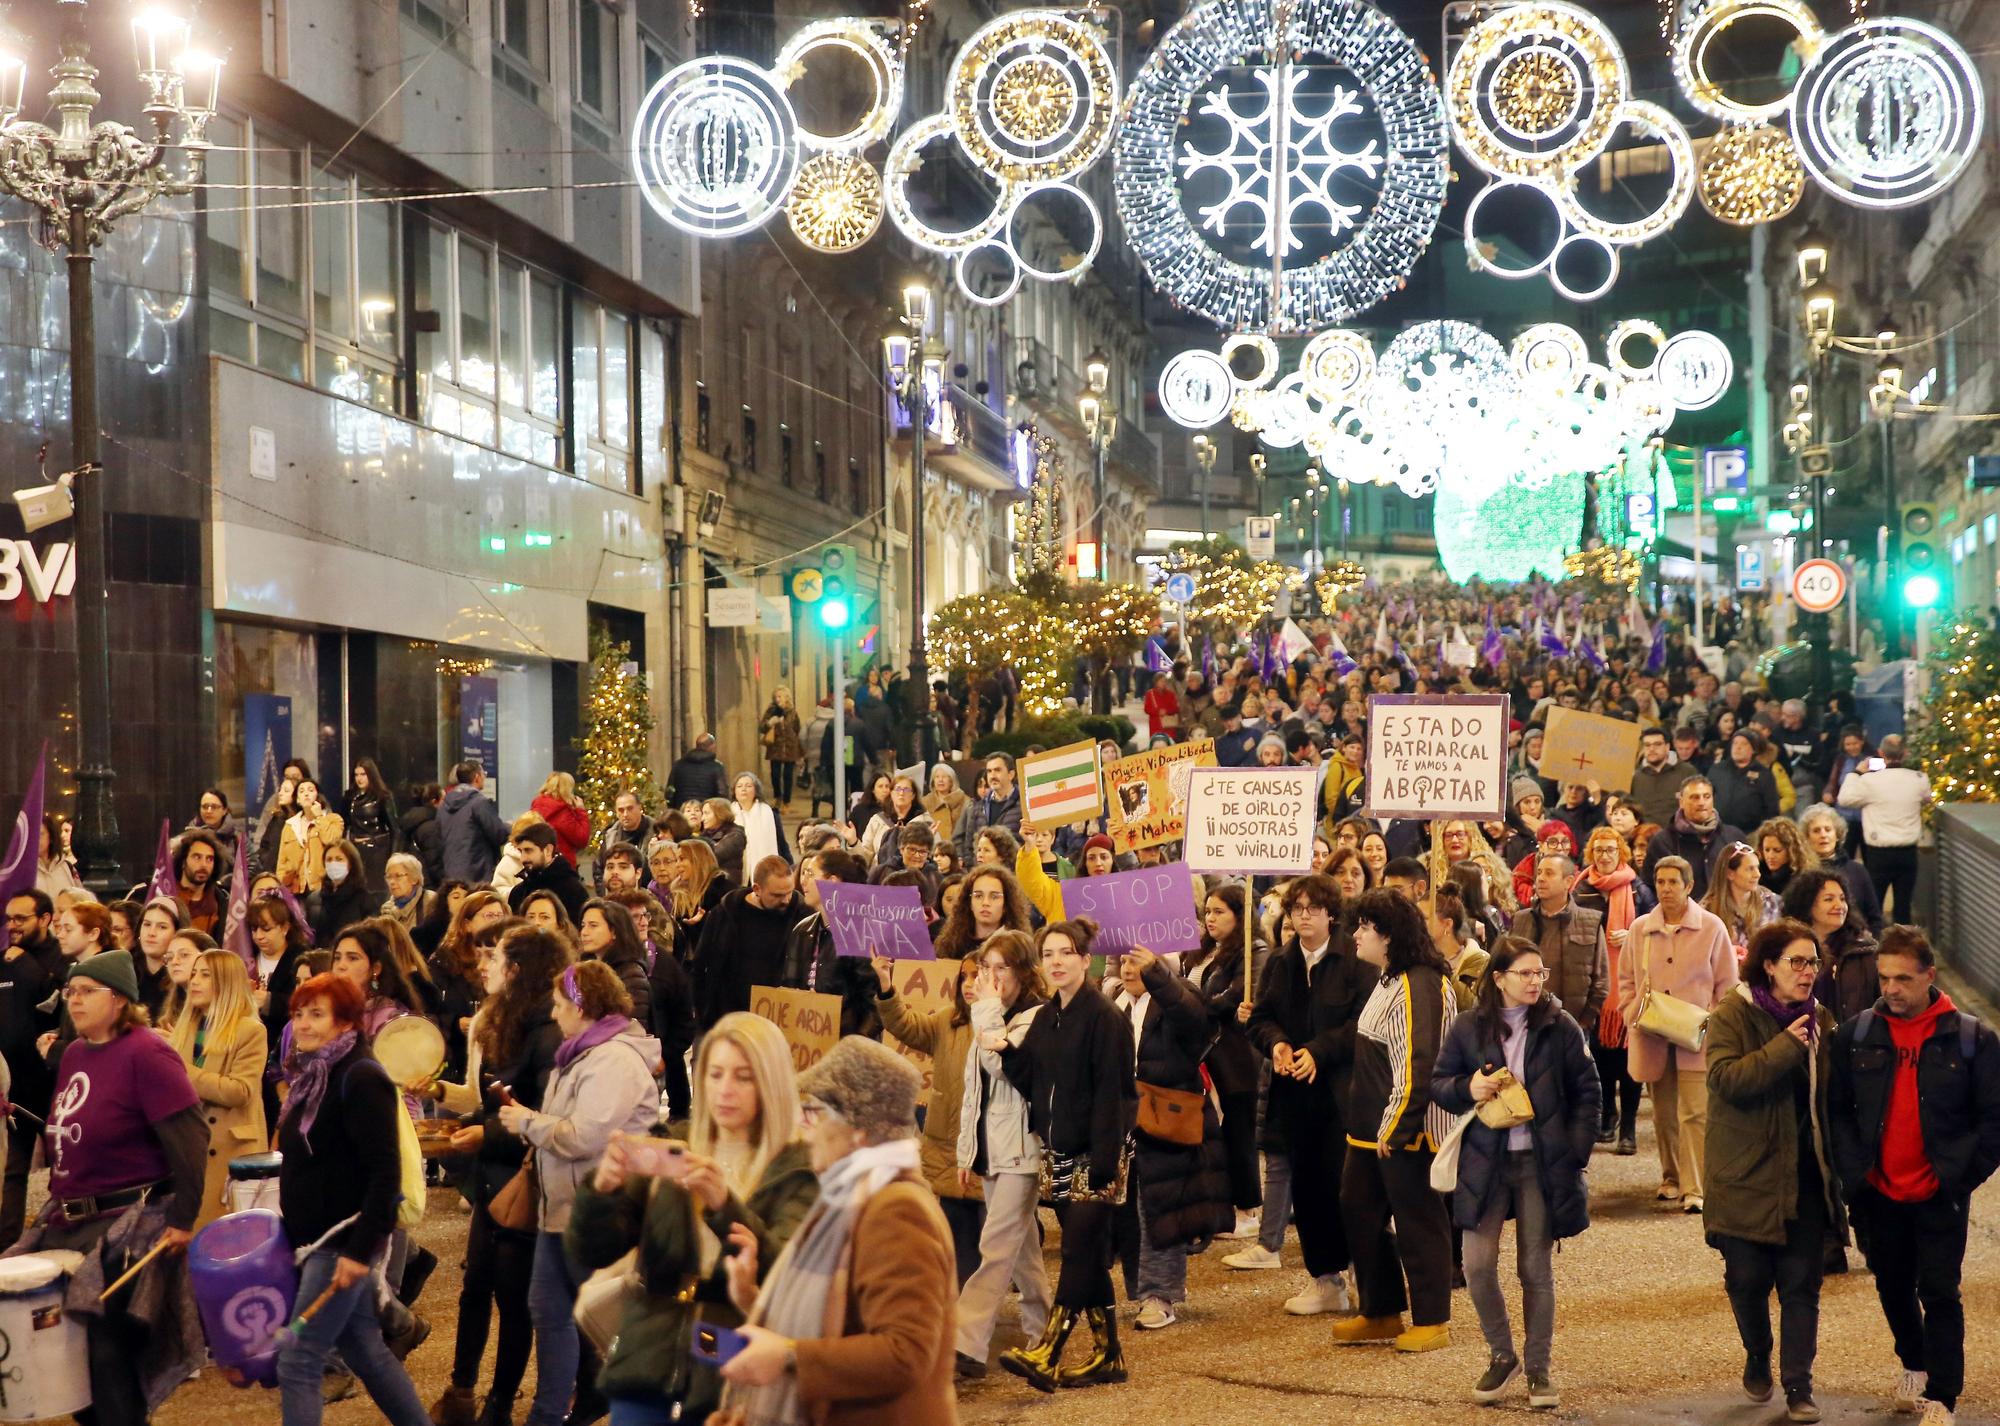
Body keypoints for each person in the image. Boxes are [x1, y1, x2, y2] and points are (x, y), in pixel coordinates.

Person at [567, 1012, 816, 1426]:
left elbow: (789, 1276)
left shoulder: (797, 1168)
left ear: (771, 1083)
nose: (724, 1090)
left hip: (732, 1355)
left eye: (743, 1077)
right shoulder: (674, 1146)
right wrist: (603, 1191)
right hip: (647, 1352)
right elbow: (592, 1249)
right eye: (714, 1074)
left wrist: (724, 1206)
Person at [715, 1036, 956, 1426]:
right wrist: (753, 1298)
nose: (805, 1130)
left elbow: (907, 1353)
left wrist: (789, 1356)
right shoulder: (848, 1197)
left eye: (815, 1112)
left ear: (859, 1131)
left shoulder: (896, 1210)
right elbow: (840, 1316)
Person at [23, 948, 208, 1419]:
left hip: (130, 1227)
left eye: (88, 992)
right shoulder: (76, 1054)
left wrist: (184, 1218)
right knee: (71, 1362)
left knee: (107, 1358)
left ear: (120, 1000)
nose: (75, 1001)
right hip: (69, 1221)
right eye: (71, 992)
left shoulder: (148, 1053)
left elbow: (189, 1136)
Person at [1828, 926, 2000, 1426]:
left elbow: (1993, 1118)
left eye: (1903, 979)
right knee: (1892, 1283)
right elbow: (1838, 1109)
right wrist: (1853, 1170)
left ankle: (1943, 1397)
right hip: (1878, 1190)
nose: (1891, 989)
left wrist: (1960, 1175)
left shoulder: (1971, 1038)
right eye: (1884, 978)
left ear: (1930, 975)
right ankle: (1915, 1364)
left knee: (1941, 1290)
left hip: (1939, 1190)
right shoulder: (1856, 1034)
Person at [1432, 935, 1599, 1410]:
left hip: (1541, 1164)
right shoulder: (1468, 1028)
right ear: (1499, 978)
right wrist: (1469, 1085)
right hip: (1485, 1160)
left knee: (1534, 1268)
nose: (1534, 981)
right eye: (1524, 973)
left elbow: (1589, 1091)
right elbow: (1439, 1085)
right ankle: (1502, 1354)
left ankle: (1539, 1368)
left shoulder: (1560, 1026)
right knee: (1477, 1266)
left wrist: (1574, 1152)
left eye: (1539, 973)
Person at [500, 958, 663, 1426]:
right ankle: (548, 1415)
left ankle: (620, 1411)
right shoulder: (580, 1055)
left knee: (605, 1325)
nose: (554, 1014)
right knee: (548, 1311)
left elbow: (583, 1137)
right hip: (561, 1211)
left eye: (559, 1005)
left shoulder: (613, 1060)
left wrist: (526, 1122)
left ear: (581, 1004)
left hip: (599, 1215)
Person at [271, 971, 430, 1426]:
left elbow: (386, 1173)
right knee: (364, 1349)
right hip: (321, 1239)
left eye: (317, 1014)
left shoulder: (361, 1076)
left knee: (297, 1364)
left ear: (345, 1023)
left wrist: (360, 1251)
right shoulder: (313, 1074)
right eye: (299, 1014)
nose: (302, 1024)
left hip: (341, 1242)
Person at [1703, 920, 1846, 1424]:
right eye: (1797, 962)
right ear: (1769, 965)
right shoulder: (1732, 1014)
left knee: (1801, 1284)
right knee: (1746, 1279)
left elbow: (1832, 1102)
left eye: (1814, 963)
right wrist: (1786, 1046)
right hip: (1743, 1174)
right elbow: (1725, 1080)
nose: (1808, 973)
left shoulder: (1822, 1020)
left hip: (1805, 1176)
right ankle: (1758, 1351)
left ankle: (1799, 1386)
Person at [429, 923, 566, 1426]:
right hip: (490, 1178)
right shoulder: (500, 1021)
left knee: (513, 1302)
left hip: (522, 1184)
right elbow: (491, 1102)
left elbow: (545, 1119)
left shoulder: (547, 1033)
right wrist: (463, 1124)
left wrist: (487, 1134)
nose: (483, 967)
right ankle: (460, 1392)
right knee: (473, 1290)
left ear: (515, 970)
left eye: (495, 958)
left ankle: (500, 1407)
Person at [995, 920, 1136, 1391]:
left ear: (1083, 960)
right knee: (1087, 1254)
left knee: (1077, 1250)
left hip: (1099, 1152)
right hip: (1058, 1151)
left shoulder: (1104, 1017)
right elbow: (1032, 1075)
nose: (1056, 961)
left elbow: (1112, 1096)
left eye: (1065, 953)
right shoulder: (1046, 1016)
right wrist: (1005, 1051)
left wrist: (1102, 1162)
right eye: (1048, 954)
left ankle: (1050, 1350)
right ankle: (1108, 1355)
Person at [1334, 887, 1458, 1351]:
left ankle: (1432, 1318)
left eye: (1365, 926)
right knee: (1359, 1211)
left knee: (1418, 1220)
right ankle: (1381, 1310)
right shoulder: (1390, 978)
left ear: (1388, 935)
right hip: (1369, 1130)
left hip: (1407, 1131)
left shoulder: (1418, 984)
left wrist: (1399, 1127)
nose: (1356, 935)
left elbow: (1418, 1063)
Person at [1246, 872, 1370, 1305]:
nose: (1303, 917)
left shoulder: (1356, 961)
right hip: (1294, 1095)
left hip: (1343, 1094)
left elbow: (1365, 1024)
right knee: (1308, 1188)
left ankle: (1364, 1272)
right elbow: (1260, 1018)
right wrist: (1277, 1043)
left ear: (1331, 915)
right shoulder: (1281, 962)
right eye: (1296, 909)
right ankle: (1325, 1279)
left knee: (1348, 1187)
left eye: (1312, 909)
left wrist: (1318, 1051)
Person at [1112, 944, 1234, 1331]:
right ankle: (1141, 1289)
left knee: (1160, 1209)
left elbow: (1196, 1024)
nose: (1130, 968)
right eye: (1125, 961)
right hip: (1123, 1120)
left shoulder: (1178, 995)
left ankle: (1160, 1296)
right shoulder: (1114, 1002)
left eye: (1139, 960)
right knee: (1128, 1210)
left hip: (1167, 1118)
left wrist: (1159, 977)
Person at [950, 929, 1052, 1378]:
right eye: (984, 967)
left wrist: (986, 1008)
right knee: (1023, 1251)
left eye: (1000, 968)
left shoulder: (1035, 1018)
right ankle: (1046, 1332)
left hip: (1022, 1151)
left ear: (1023, 972)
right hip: (993, 1149)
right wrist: (965, 1153)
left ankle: (965, 1343)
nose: (988, 977)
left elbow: (1001, 1065)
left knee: (995, 1247)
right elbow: (974, 1091)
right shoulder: (990, 1015)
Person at [1619, 856, 1738, 1213]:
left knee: (1695, 1112)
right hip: (1652, 1032)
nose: (1666, 888)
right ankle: (1670, 1177)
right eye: (1661, 881)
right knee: (1664, 1112)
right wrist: (1631, 1011)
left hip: (1697, 1034)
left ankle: (1695, 1186)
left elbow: (1727, 984)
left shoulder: (1712, 928)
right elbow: (1625, 979)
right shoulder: (1641, 928)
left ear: (1689, 886)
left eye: (1674, 882)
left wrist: (1712, 1022)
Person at [873, 950, 985, 1285]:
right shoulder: (947, 1019)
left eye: (977, 976)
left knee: (991, 1236)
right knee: (956, 1233)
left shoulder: (1007, 1024)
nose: (969, 984)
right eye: (964, 976)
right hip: (947, 1148)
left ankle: (988, 1306)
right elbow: (905, 1025)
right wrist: (886, 986)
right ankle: (960, 1304)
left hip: (985, 1152)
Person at [1181, 880, 1269, 1238]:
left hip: (1237, 1055)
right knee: (1218, 1132)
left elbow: (1233, 998)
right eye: (1208, 911)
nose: (1211, 918)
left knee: (1240, 1131)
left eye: (1220, 912)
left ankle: (1248, 1208)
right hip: (1206, 1052)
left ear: (1240, 916)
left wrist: (1189, 1005)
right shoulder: (1203, 951)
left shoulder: (1254, 951)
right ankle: (1220, 1202)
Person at [166, 948, 270, 1228]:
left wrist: (182, 1071)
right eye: (195, 974)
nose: (194, 981)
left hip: (228, 1156)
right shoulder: (185, 1028)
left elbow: (240, 1091)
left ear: (226, 981)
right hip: (187, 1149)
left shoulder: (250, 1030)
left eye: (205, 975)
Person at [1571, 827, 1653, 1153]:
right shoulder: (1580, 888)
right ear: (1591, 853)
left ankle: (1629, 1128)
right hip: (1594, 983)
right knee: (1602, 1057)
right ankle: (1608, 1114)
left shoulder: (1637, 889)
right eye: (1599, 850)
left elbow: (1654, 926)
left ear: (1621, 853)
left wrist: (1634, 933)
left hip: (1629, 982)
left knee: (1631, 1057)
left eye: (1611, 850)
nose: (1605, 856)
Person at [692, 856, 802, 1027]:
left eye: (790, 892)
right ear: (757, 889)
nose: (786, 900)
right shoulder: (725, 914)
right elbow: (701, 963)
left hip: (782, 1018)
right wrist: (703, 1011)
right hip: (730, 1017)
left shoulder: (801, 915)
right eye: (777, 895)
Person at [1508, 853, 1608, 1033]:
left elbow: (1601, 982)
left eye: (1549, 873)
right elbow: (1507, 970)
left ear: (1568, 882)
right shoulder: (1521, 920)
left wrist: (1585, 1021)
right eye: (1539, 873)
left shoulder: (1589, 922)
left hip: (1573, 1026)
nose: (1541, 879)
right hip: (1524, 1024)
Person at [1838, 734, 1930, 924]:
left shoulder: (1870, 782)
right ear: (1906, 753)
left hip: (1878, 853)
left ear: (1880, 753)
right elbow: (1927, 798)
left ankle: (1875, 948)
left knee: (1874, 906)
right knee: (1903, 907)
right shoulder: (1919, 779)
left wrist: (1857, 772)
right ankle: (1904, 948)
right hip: (1908, 852)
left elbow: (1844, 798)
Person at [1784, 869, 1880, 1024]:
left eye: (1842, 899)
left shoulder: (1863, 951)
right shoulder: (1785, 948)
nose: (1839, 906)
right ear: (1807, 905)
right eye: (1829, 899)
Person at [1644, 778, 1743, 899]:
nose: (1701, 802)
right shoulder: (1662, 842)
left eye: (1706, 796)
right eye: (1694, 797)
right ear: (1681, 802)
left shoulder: (1734, 837)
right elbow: (1650, 888)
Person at [1799, 805, 1885, 934]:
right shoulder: (1801, 873)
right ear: (1807, 838)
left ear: (1837, 835)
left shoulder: (1857, 871)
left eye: (1828, 830)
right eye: (1816, 831)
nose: (1823, 835)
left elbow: (1875, 918)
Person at [1705, 842, 1783, 954]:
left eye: (1757, 868)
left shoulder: (1772, 902)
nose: (1758, 874)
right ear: (1730, 874)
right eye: (1750, 869)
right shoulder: (1708, 910)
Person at [440, 761, 509, 886]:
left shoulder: (444, 805)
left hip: (450, 873)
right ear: (477, 777)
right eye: (484, 774)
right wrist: (509, 827)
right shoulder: (479, 803)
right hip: (477, 873)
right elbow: (499, 834)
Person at [508, 821, 589, 925]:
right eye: (521, 851)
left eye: (528, 851)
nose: (523, 858)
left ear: (548, 850)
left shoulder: (573, 891)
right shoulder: (518, 893)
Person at [278, 778, 347, 894]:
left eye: (310, 790)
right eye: (301, 791)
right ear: (297, 799)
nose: (306, 793)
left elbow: (332, 841)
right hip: (295, 888)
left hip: (322, 888)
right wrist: (281, 888)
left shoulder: (333, 819)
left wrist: (319, 817)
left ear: (317, 796)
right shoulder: (290, 826)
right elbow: (282, 863)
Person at [309, 837, 378, 947]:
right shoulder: (314, 899)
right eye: (329, 859)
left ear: (350, 863)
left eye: (339, 859)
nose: (333, 863)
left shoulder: (364, 899)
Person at [344, 757, 401, 890]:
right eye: (357, 774)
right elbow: (345, 824)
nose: (359, 778)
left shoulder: (382, 796)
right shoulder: (349, 797)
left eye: (363, 774)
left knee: (376, 891)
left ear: (371, 775)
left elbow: (395, 829)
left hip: (377, 851)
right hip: (355, 850)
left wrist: (393, 856)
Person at [955, 753, 1022, 862]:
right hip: (983, 871)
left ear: (1011, 774)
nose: (992, 775)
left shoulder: (1024, 805)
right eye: (989, 771)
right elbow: (969, 845)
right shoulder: (978, 806)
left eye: (997, 770)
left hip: (1014, 872)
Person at [1711, 731, 1781, 833]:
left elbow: (1772, 810)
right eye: (1735, 743)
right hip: (1718, 832)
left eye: (1743, 744)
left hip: (1751, 834)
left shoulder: (1764, 774)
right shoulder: (1717, 770)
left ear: (1753, 749)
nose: (1737, 747)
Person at [529, 771, 592, 867]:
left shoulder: (536, 805)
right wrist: (581, 811)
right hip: (562, 866)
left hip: (539, 863)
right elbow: (582, 839)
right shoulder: (562, 812)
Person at [733, 772, 789, 874]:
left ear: (756, 790)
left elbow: (781, 844)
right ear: (734, 791)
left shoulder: (769, 814)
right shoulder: (729, 814)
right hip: (737, 873)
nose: (743, 789)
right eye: (739, 786)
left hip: (764, 872)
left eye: (748, 786)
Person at [171, 827, 224, 933]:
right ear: (183, 862)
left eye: (209, 859)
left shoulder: (222, 903)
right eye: (197, 857)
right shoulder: (166, 895)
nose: (204, 864)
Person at [760, 687, 805, 806]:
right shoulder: (771, 711)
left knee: (788, 775)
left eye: (780, 696)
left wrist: (799, 749)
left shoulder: (792, 712)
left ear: (786, 697)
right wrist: (770, 723)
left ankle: (787, 801)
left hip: (790, 746)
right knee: (775, 774)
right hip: (775, 746)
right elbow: (761, 727)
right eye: (776, 697)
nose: (777, 699)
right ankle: (777, 796)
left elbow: (797, 729)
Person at [401, 783, 447, 888]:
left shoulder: (412, 822)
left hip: (414, 880)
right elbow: (434, 861)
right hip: (429, 884)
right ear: (435, 802)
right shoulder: (430, 827)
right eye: (444, 800)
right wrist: (446, 882)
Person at [666, 732, 731, 806]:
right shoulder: (717, 767)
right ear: (712, 746)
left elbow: (670, 792)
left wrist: (674, 810)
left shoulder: (679, 765)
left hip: (683, 811)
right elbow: (722, 794)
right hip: (707, 812)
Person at [379, 852, 433, 935]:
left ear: (414, 879)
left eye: (398, 876)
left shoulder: (431, 901)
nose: (391, 882)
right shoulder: (386, 910)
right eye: (389, 877)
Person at [701, 799, 749, 886]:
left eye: (706, 813)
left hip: (725, 886)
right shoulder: (705, 835)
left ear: (720, 813)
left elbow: (714, 857)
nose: (702, 818)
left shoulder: (735, 835)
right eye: (702, 813)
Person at [923, 765, 968, 851]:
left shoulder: (965, 802)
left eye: (944, 777)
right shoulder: (924, 803)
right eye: (937, 777)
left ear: (951, 781)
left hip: (957, 851)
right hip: (932, 851)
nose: (940, 780)